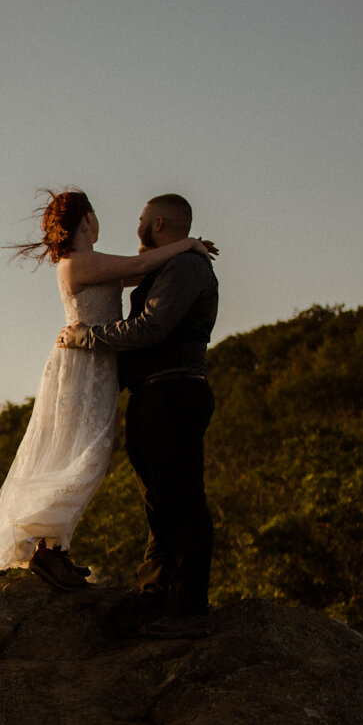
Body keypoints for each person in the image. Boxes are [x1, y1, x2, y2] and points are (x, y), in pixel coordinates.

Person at [0, 188, 216, 595]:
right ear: (86, 220)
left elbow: (141, 271)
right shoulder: (76, 262)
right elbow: (140, 264)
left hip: (100, 362)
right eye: (97, 214)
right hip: (82, 361)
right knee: (78, 452)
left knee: (87, 453)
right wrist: (187, 244)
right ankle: (44, 546)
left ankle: (53, 545)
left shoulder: (97, 264)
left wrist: (182, 251)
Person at [57, 192, 220, 639]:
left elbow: (150, 328)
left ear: (161, 224)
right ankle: (155, 593)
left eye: (143, 219)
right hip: (153, 394)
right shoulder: (170, 262)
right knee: (158, 501)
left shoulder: (187, 268)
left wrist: (88, 337)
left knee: (182, 499)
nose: (137, 226)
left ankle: (189, 609)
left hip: (176, 390)